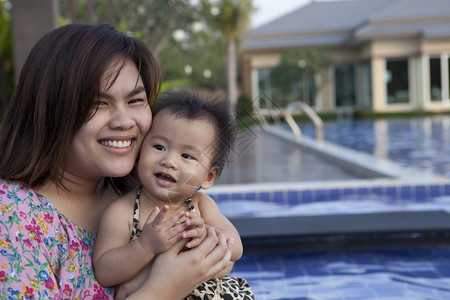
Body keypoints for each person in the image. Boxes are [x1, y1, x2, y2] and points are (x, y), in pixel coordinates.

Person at [0, 23, 233, 299]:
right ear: (52, 109)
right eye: (98, 103)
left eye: (136, 100)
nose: (125, 122)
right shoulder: (12, 216)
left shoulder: (145, 191)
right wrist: (164, 288)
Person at [93, 90, 254, 299]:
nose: (168, 160)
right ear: (141, 151)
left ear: (208, 177)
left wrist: (207, 235)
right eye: (159, 146)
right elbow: (104, 272)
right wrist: (144, 246)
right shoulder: (122, 211)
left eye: (187, 155)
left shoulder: (201, 206)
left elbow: (236, 247)